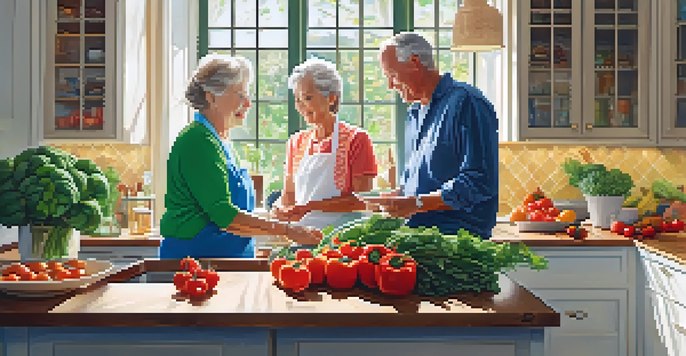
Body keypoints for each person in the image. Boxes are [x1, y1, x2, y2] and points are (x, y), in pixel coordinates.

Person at [159, 54, 322, 259]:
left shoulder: (221, 142)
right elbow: (225, 216)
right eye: (240, 95)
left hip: (224, 262)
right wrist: (287, 230)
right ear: (211, 96)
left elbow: (237, 212)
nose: (247, 104)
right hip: (194, 263)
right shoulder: (197, 141)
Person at [369, 32, 499, 239]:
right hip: (418, 239)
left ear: (414, 62)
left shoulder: (467, 102)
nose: (390, 86)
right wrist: (400, 195)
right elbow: (425, 179)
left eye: (392, 75)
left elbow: (479, 181)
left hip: (457, 242)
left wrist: (417, 203)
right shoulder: (414, 113)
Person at [272, 57, 378, 230]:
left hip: (343, 237)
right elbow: (289, 194)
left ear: (331, 98)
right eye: (297, 100)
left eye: (307, 98)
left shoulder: (356, 139)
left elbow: (362, 200)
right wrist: (279, 209)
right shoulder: (296, 142)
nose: (300, 106)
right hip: (303, 234)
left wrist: (308, 207)